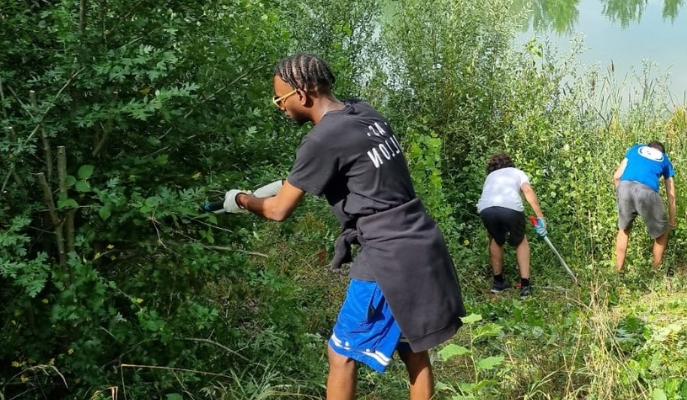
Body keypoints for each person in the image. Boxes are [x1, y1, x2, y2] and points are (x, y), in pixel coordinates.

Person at [222, 53, 465, 400]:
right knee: (413, 351)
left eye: (280, 98)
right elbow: (359, 172)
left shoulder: (321, 138)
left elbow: (277, 211)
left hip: (387, 254)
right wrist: (289, 182)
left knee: (340, 354)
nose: (279, 106)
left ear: (302, 94)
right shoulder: (364, 112)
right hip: (421, 240)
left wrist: (242, 200)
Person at [476, 152, 548, 297]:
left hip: (485, 209)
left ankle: (498, 283)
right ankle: (525, 286)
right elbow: (527, 190)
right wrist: (540, 216)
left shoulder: (490, 177)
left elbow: (487, 198)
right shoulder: (517, 172)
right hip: (510, 208)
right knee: (521, 240)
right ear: (510, 164)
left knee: (496, 239)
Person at [611, 141, 677, 272]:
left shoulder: (635, 149)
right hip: (647, 192)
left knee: (624, 229)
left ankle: (618, 271)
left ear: (647, 147)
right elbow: (671, 195)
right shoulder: (665, 160)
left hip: (625, 187)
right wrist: (672, 220)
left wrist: (621, 199)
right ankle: (655, 271)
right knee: (662, 232)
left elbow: (617, 176)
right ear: (661, 152)